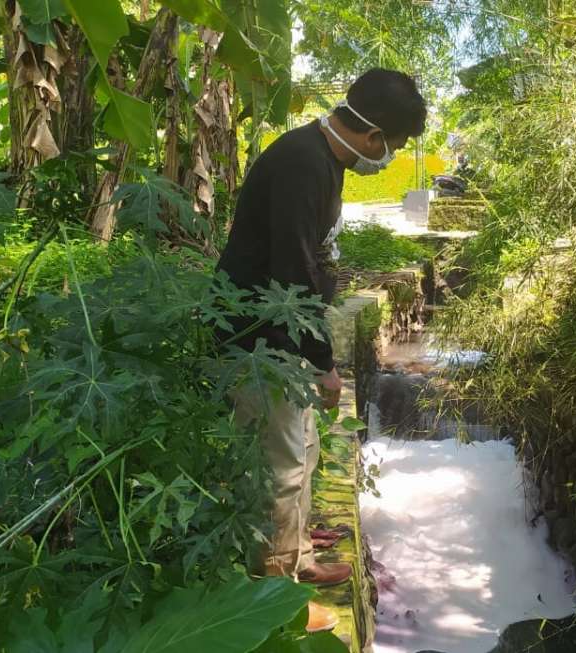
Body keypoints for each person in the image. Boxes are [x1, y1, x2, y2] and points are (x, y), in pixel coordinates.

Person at [215, 68, 426, 632]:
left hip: (282, 334)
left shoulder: (320, 159)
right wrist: (324, 363)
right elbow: (294, 271)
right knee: (280, 466)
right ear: (373, 136)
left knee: (304, 448)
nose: (389, 158)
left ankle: (300, 554)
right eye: (396, 146)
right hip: (261, 338)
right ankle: (275, 602)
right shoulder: (301, 164)